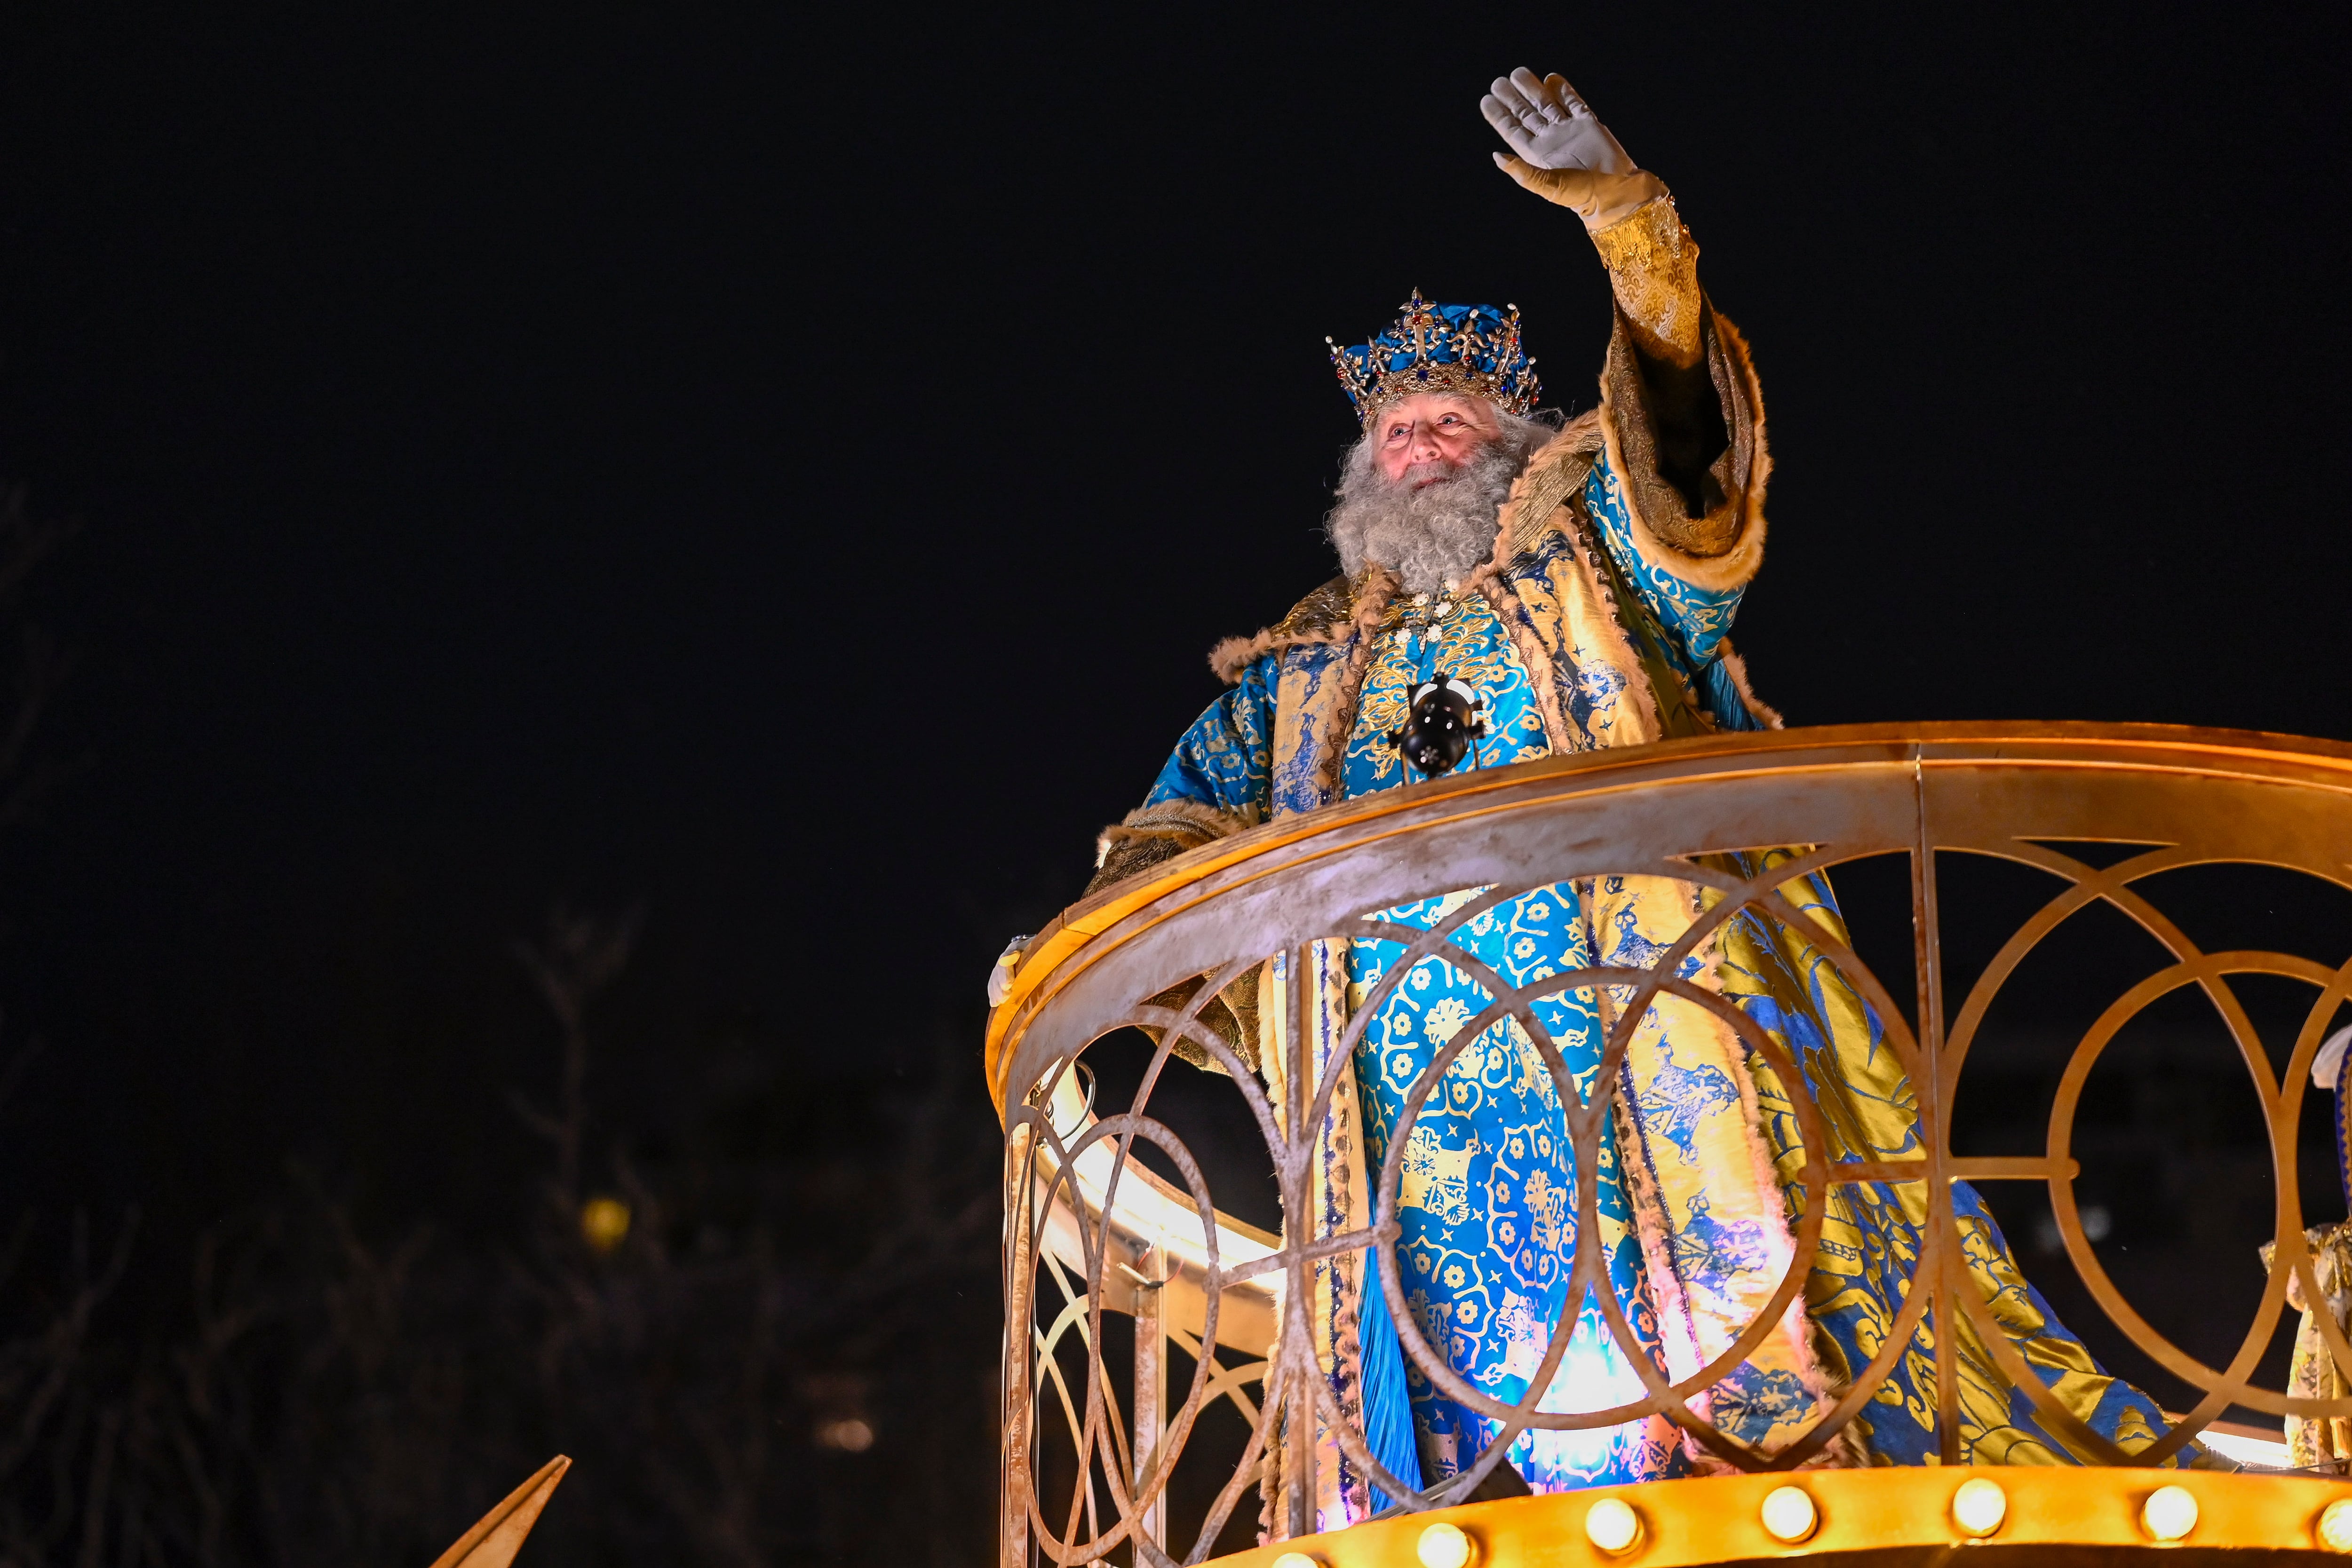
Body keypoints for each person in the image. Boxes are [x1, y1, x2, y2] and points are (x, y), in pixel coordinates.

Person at [997, 69, 2182, 1527]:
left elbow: (1688, 463)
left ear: (1516, 449)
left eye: (1445, 423)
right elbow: (1172, 835)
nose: (1414, 446)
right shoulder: (1293, 681)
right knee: (1469, 1432)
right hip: (1408, 1107)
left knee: (1718, 1382)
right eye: (1395, 434)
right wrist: (1079, 946)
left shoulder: (1599, 583)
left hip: (1641, 1038)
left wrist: (1629, 225)